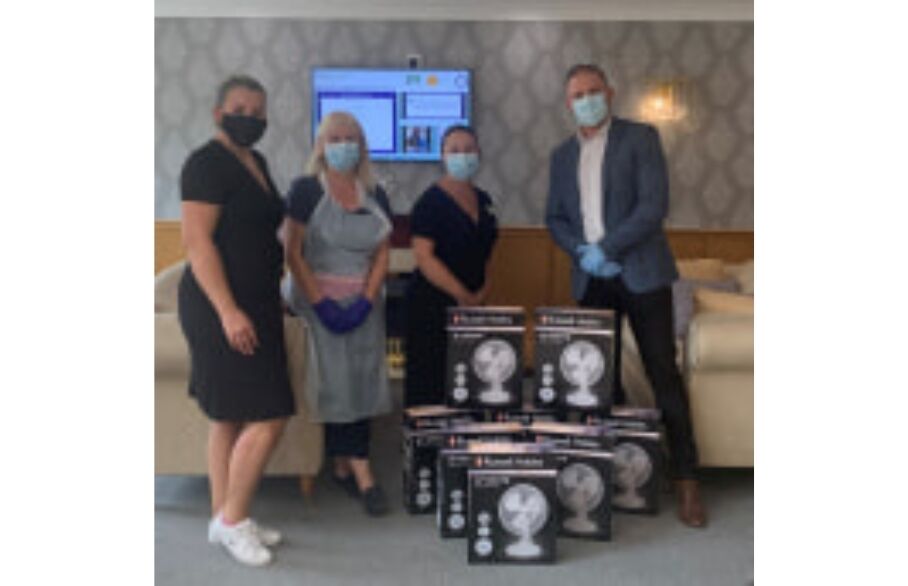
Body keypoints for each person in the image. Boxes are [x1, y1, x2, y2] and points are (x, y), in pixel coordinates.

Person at [545, 63, 707, 528]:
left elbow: (653, 207)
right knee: (597, 381)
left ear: (610, 93)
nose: (587, 100)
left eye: (594, 91)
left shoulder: (641, 138)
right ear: (568, 103)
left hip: (642, 273)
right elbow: (554, 217)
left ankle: (687, 481)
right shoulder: (560, 155)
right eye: (577, 94)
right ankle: (608, 478)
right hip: (591, 278)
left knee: (663, 374)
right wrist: (581, 252)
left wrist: (607, 248)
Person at [178, 75, 293, 566]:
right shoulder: (205, 163)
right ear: (218, 112)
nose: (250, 116)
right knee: (271, 414)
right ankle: (232, 521)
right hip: (221, 306)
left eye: (258, 110)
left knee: (228, 414)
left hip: (259, 302)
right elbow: (197, 242)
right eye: (240, 107)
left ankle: (224, 515)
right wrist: (228, 311)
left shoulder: (257, 161)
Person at [282, 111, 393, 516]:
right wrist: (322, 303)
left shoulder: (375, 192)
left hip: (364, 301)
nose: (344, 145)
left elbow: (383, 252)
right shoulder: (305, 190)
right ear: (321, 145)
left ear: (362, 146)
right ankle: (364, 474)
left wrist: (366, 298)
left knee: (363, 377)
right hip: (316, 302)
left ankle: (344, 464)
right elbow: (292, 252)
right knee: (336, 379)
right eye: (336, 138)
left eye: (352, 138)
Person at [404, 125, 499, 407]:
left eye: (468, 149)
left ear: (479, 154)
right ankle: (425, 450)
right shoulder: (429, 202)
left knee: (468, 379)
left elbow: (489, 250)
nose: (462, 156)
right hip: (432, 305)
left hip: (474, 305)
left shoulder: (484, 200)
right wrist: (462, 296)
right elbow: (424, 257)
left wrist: (483, 293)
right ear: (442, 156)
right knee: (430, 382)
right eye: (454, 150)